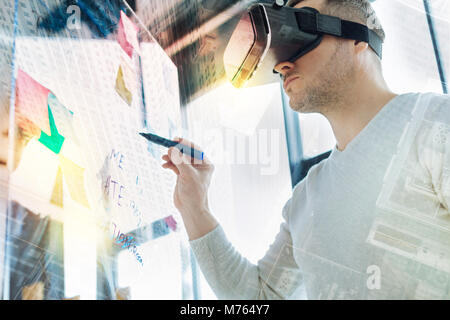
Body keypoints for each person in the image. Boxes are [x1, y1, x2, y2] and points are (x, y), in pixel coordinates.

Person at [162, 0, 450, 299]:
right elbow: (258, 297)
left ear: (358, 39)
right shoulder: (305, 199)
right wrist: (195, 208)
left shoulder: (435, 123)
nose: (281, 64)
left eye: (302, 31)